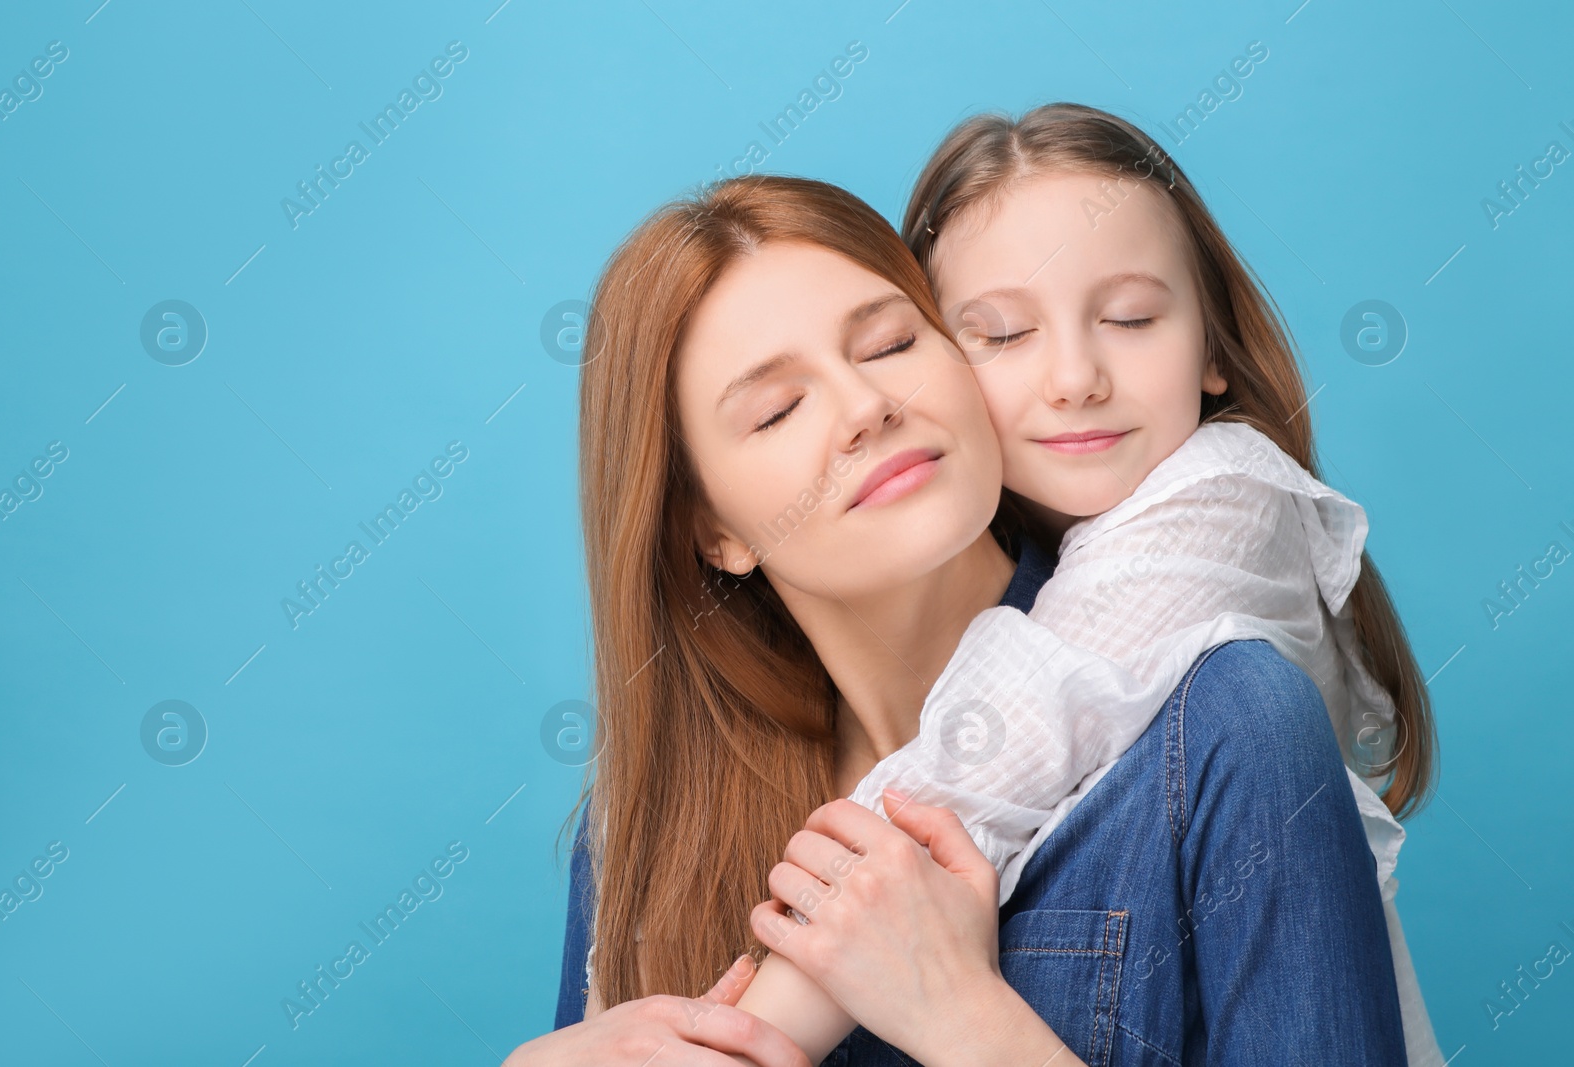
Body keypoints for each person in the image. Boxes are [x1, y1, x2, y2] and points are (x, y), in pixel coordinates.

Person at [506, 173, 1408, 1066]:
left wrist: (966, 1022)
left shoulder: (1232, 722)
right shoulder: (650, 826)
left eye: (893, 343)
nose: (867, 407)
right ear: (713, 532)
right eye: (778, 408)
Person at [727, 103, 1444, 1065]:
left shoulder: (1223, 515)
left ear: (1216, 351)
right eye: (1002, 334)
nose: (1073, 377)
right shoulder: (651, 812)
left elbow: (1013, 730)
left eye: (1132, 318)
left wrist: (749, 1038)